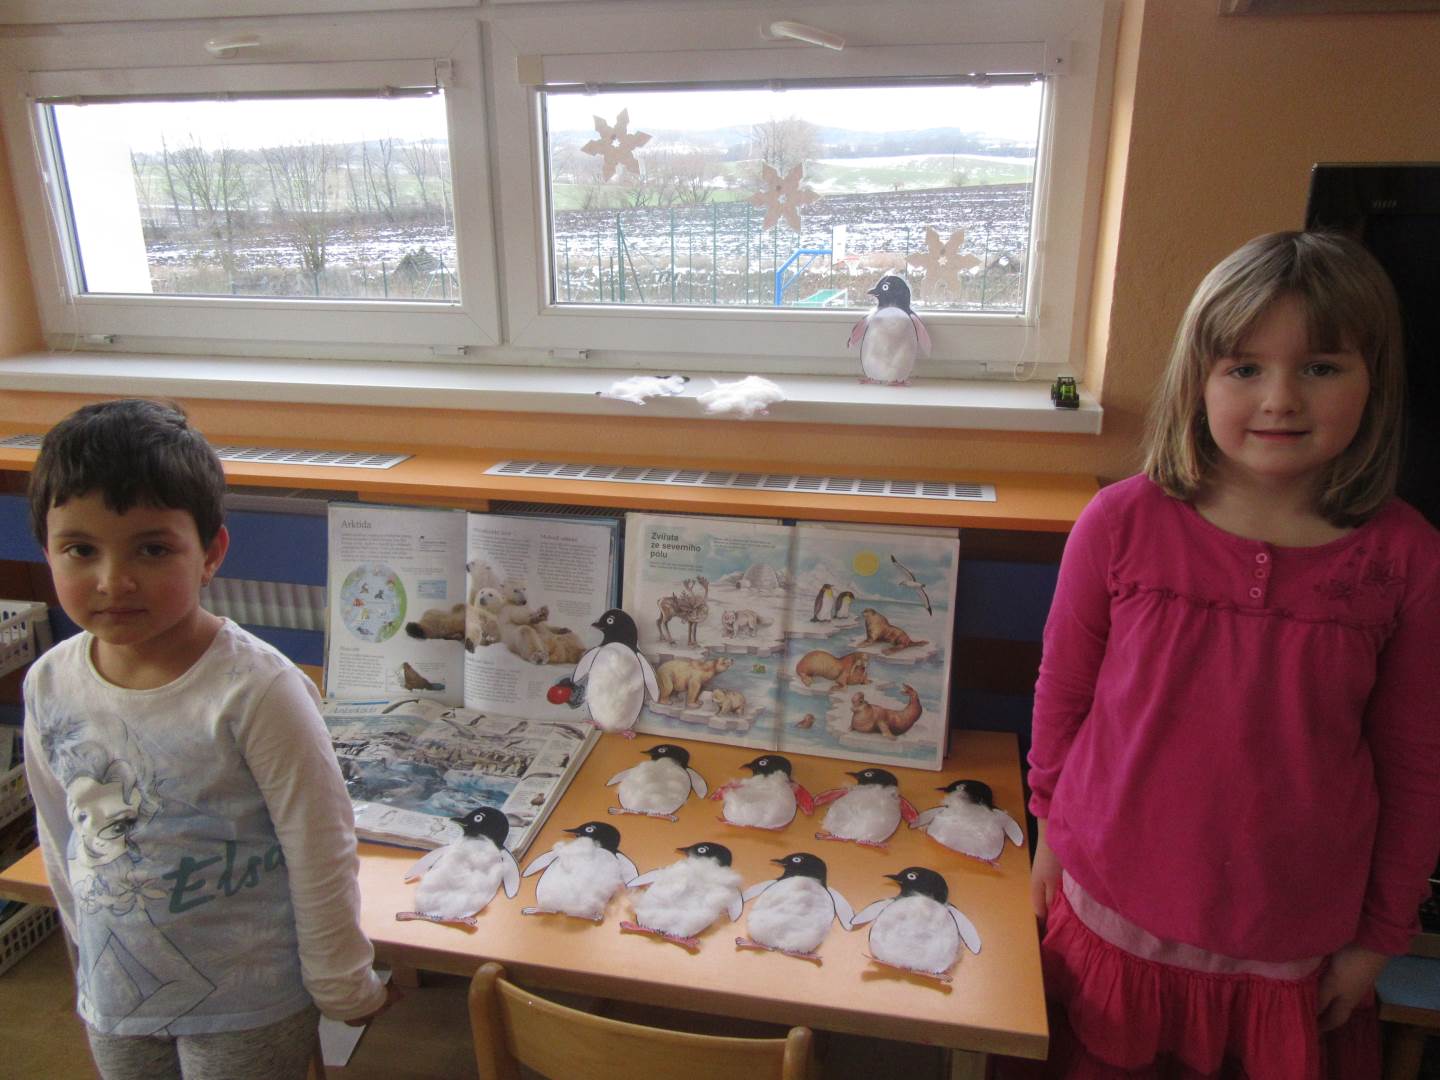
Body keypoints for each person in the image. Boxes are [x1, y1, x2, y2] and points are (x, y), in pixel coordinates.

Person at [1027, 232, 1440, 1079]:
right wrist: (1047, 837)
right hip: (1113, 920)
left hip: (1290, 951)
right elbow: (1064, 697)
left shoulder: (1407, 559)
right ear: (1199, 380)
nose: (1280, 399)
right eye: (1244, 368)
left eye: (1320, 367)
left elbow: (1414, 763)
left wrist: (1379, 937)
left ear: (1374, 380)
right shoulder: (1120, 523)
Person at [22, 398, 395, 1080]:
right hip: (118, 993)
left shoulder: (258, 688)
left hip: (248, 999)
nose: (113, 580)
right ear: (47, 551)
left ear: (210, 554)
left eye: (152, 549)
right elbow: (60, 833)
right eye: (80, 549)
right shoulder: (49, 682)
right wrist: (82, 947)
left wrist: (342, 981)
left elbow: (320, 843)